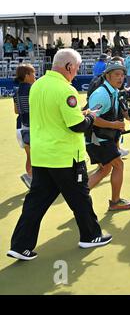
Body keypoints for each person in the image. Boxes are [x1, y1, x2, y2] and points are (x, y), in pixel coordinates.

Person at [7, 49, 112, 261]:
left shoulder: (38, 85)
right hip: (65, 157)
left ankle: (20, 245)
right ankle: (90, 236)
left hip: (42, 155)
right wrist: (90, 116)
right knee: (80, 198)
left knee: (35, 203)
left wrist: (82, 115)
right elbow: (77, 126)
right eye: (76, 68)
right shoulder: (66, 90)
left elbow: (53, 115)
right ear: (69, 67)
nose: (76, 72)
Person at [86, 61, 130, 211]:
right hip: (98, 140)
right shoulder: (101, 94)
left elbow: (120, 112)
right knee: (118, 165)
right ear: (107, 76)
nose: (120, 78)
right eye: (116, 74)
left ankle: (79, 197)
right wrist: (114, 125)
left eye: (122, 75)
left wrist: (129, 117)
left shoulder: (115, 92)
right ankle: (115, 202)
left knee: (105, 170)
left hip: (104, 139)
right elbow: (92, 119)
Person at [13, 64, 36, 188]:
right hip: (32, 127)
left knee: (29, 156)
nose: (35, 76)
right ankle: (34, 179)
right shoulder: (33, 89)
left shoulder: (16, 91)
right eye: (33, 73)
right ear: (27, 75)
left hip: (20, 126)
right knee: (39, 155)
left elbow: (16, 111)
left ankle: (30, 177)